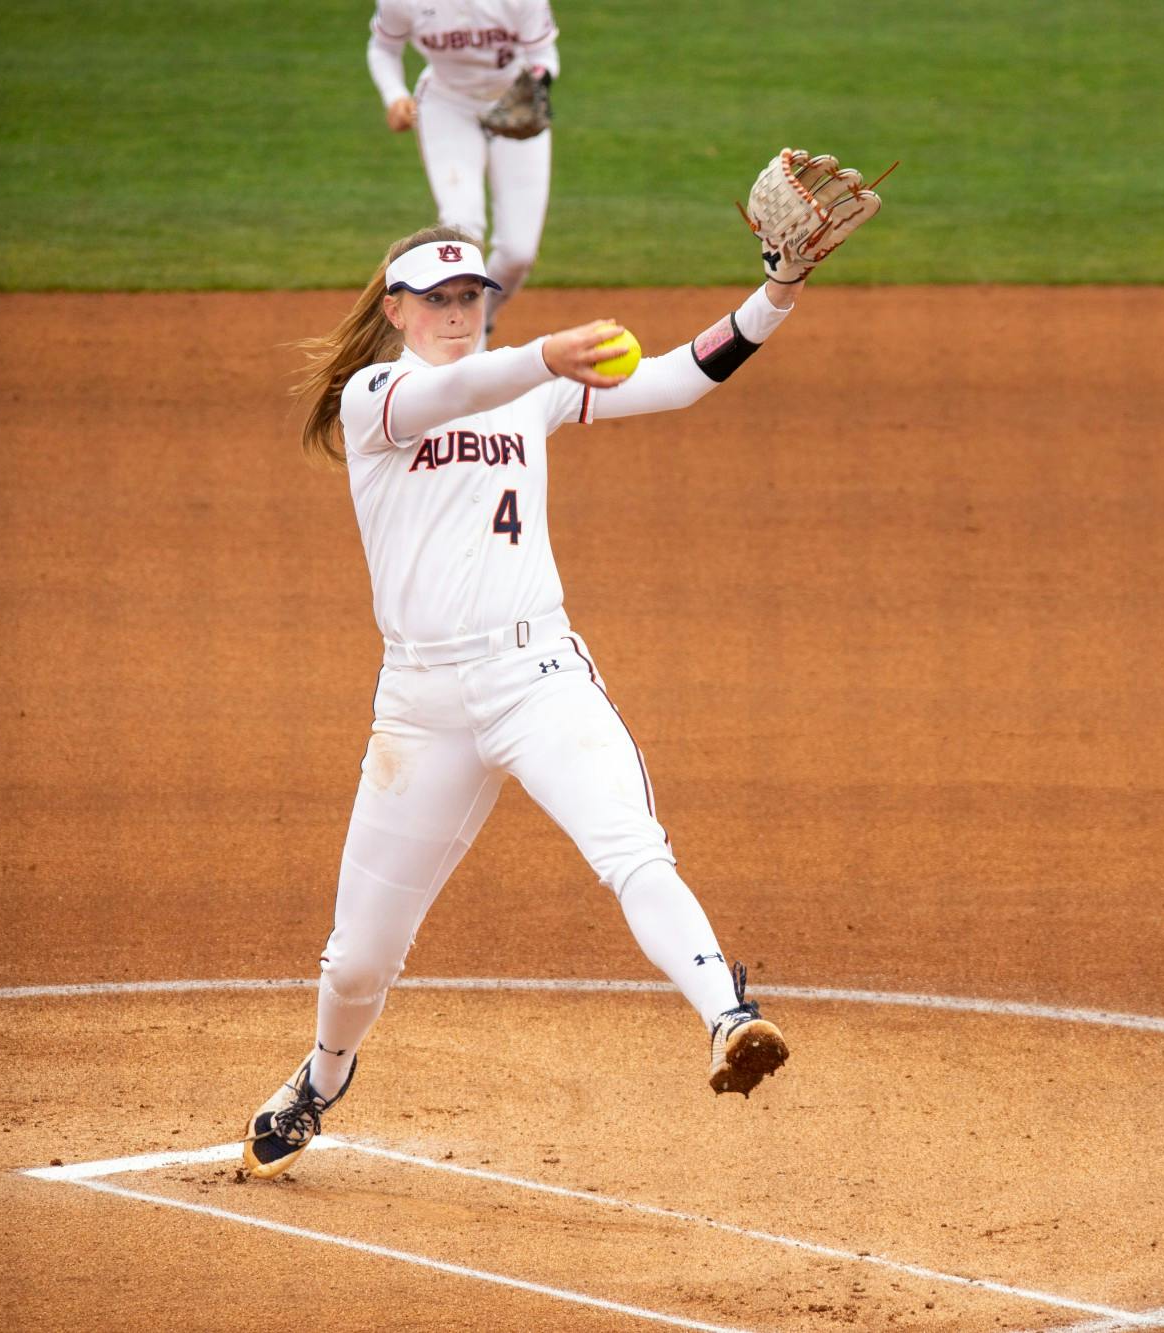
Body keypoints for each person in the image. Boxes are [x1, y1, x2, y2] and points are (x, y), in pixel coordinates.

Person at [242, 149, 885, 1179]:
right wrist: (543, 354)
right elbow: (474, 383)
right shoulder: (376, 401)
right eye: (436, 297)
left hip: (537, 677)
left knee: (630, 846)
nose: (458, 310)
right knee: (359, 952)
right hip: (420, 711)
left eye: (470, 295)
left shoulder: (530, 391)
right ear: (398, 311)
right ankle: (320, 1077)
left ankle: (729, 1015)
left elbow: (677, 380)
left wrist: (776, 291)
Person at [367, 0, 560, 336]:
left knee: (519, 252)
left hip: (512, 103)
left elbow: (543, 55)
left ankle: (483, 316)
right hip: (446, 105)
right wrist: (394, 96)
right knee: (463, 228)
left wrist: (537, 86)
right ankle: (466, 338)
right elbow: (383, 47)